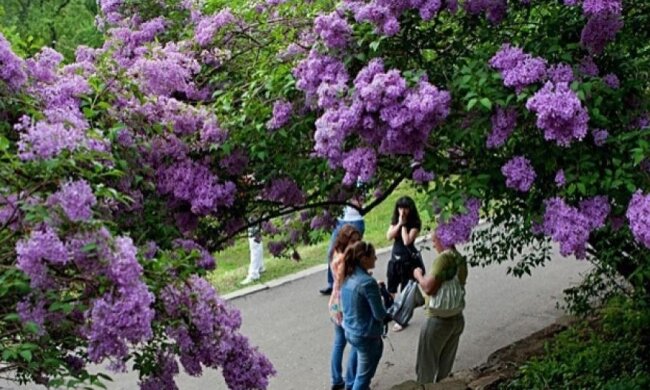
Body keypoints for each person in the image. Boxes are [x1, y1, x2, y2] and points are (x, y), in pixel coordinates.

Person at [412, 232, 467, 384]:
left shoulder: (444, 258)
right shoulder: (460, 259)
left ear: (443, 240)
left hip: (438, 321)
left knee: (426, 369)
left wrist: (418, 275)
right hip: (457, 318)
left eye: (434, 241)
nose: (434, 245)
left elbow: (429, 288)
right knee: (445, 369)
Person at [340, 241, 387, 390]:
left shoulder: (348, 276)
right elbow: (379, 314)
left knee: (353, 371)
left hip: (350, 331)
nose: (376, 258)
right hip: (366, 335)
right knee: (363, 378)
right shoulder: (368, 283)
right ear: (363, 259)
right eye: (373, 256)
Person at [328, 224, 362, 390]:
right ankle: (350, 381)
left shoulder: (335, 253)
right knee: (355, 342)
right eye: (353, 241)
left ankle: (336, 379)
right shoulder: (344, 259)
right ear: (345, 240)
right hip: (344, 303)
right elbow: (344, 281)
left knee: (339, 341)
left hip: (335, 302)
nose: (356, 244)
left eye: (358, 240)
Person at [385, 196, 422, 331]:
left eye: (405, 208)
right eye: (400, 208)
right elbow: (389, 236)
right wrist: (399, 224)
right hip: (395, 258)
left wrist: (404, 225)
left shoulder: (415, 224)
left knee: (406, 292)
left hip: (408, 261)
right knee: (391, 288)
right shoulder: (396, 220)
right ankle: (389, 311)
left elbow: (407, 240)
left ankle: (402, 319)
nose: (403, 211)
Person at [320, 198, 365, 295]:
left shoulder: (359, 183)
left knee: (353, 254)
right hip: (340, 220)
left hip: (355, 220)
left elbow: (361, 203)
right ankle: (333, 284)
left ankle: (354, 282)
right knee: (332, 252)